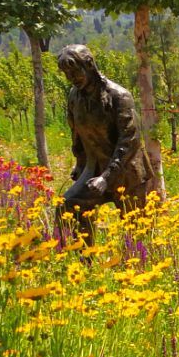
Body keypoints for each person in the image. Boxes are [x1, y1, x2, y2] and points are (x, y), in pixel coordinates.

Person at [56, 44, 164, 234]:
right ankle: (81, 258)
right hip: (93, 170)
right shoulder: (74, 97)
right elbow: (77, 134)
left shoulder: (118, 96)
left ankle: (139, 262)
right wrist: (80, 164)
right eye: (67, 74)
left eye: (75, 72)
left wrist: (106, 178)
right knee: (68, 206)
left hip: (128, 174)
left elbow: (129, 141)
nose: (71, 79)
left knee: (138, 233)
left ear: (89, 65)